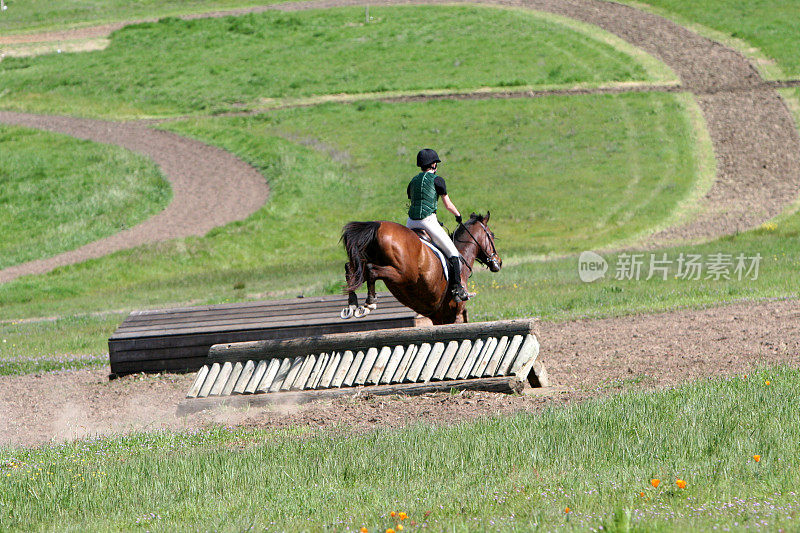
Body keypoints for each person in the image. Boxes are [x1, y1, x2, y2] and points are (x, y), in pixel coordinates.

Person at [406, 148, 471, 302]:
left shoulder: (412, 182)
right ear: (434, 164)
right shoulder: (438, 180)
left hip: (410, 222)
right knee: (454, 254)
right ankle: (457, 289)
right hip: (428, 222)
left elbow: (414, 199)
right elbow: (447, 204)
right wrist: (458, 215)